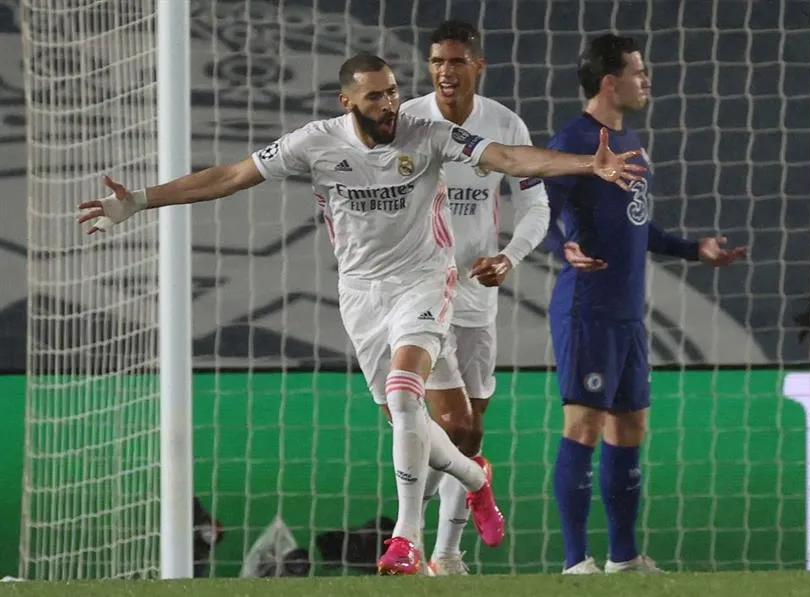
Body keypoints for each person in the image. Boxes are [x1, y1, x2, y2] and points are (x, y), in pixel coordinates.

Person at [78, 52, 645, 577]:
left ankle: (406, 538)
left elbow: (510, 157)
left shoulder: (428, 134)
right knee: (407, 420)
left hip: (425, 280)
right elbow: (229, 176)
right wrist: (138, 201)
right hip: (361, 294)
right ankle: (475, 477)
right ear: (346, 101)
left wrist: (584, 165)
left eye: (393, 91)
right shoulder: (315, 142)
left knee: (404, 393)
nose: (389, 103)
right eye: (375, 95)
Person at [541, 34, 747, 575]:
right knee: (584, 425)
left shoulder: (629, 141)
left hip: (628, 313)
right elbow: (539, 208)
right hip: (588, 308)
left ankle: (624, 557)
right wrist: (562, 245)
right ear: (610, 82)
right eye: (638, 71)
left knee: (630, 426)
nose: (646, 79)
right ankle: (575, 562)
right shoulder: (575, 140)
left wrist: (694, 251)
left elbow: (636, 225)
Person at [399, 20, 550, 576]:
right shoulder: (408, 121)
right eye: (437, 61)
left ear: (477, 66)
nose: (446, 71)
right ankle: (408, 537)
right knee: (437, 424)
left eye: (457, 61)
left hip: (475, 295)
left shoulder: (504, 124)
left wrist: (509, 256)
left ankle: (445, 553)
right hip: (418, 292)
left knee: (470, 430)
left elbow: (536, 205)